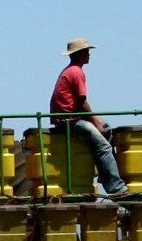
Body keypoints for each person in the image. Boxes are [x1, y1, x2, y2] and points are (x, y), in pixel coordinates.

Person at [49, 38, 131, 197]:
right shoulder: (76, 72)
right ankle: (116, 188)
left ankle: (105, 174)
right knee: (104, 147)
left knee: (107, 129)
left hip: (69, 117)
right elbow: (81, 101)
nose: (89, 55)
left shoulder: (70, 70)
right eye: (87, 52)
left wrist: (99, 123)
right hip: (69, 121)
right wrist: (94, 121)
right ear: (79, 54)